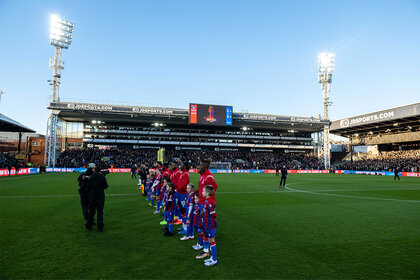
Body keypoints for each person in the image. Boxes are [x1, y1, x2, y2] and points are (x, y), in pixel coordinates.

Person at [196, 159, 218, 259]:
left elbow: (213, 188)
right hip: (201, 203)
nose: (198, 166)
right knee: (204, 227)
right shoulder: (202, 175)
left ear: (205, 166)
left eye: (200, 165)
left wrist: (207, 204)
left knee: (207, 228)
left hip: (205, 205)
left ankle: (207, 251)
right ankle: (205, 250)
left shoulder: (208, 177)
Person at [86, 163, 108, 232]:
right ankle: (100, 227)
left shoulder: (91, 177)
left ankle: (89, 226)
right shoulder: (102, 177)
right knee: (100, 212)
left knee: (91, 212)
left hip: (92, 196)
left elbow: (88, 187)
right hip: (100, 196)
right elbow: (106, 186)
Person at [199, 185, 218, 266]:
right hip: (207, 224)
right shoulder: (207, 201)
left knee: (212, 241)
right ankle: (212, 257)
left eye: (203, 191)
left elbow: (214, 215)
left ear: (207, 193)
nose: (202, 192)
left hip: (210, 225)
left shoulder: (209, 203)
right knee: (210, 241)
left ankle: (214, 259)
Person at [177, 162, 190, 235]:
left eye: (181, 165)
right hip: (181, 194)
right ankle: (183, 226)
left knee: (184, 211)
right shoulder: (183, 173)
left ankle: (185, 228)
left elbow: (182, 186)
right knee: (182, 211)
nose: (180, 166)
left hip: (183, 195)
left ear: (184, 166)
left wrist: (177, 190)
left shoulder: (185, 174)